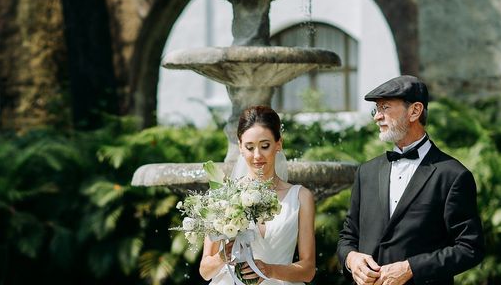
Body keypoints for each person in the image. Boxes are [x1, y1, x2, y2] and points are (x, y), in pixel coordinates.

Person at [337, 75, 484, 285]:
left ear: (415, 111)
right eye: (375, 109)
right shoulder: (366, 172)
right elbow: (348, 236)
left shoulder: (453, 175)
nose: (377, 117)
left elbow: (470, 248)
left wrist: (411, 268)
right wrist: (351, 259)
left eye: (384, 108)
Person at [200, 105, 316, 284]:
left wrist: (270, 270)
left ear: (279, 144)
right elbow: (205, 271)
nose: (257, 155)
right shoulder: (222, 196)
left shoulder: (301, 197)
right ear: (240, 147)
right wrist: (222, 256)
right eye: (249, 147)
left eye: (265, 146)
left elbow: (308, 270)